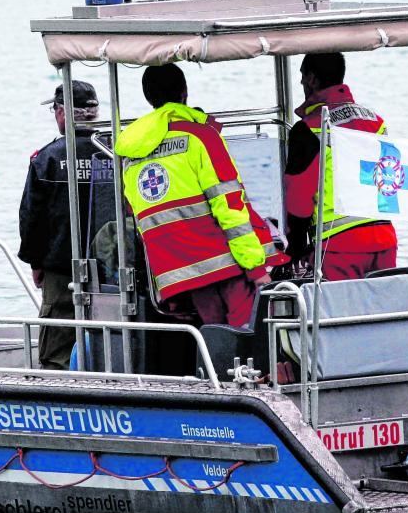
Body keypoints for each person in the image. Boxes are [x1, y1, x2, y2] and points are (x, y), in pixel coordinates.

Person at [117, 64, 286, 373]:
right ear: (184, 93)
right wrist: (256, 266)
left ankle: (219, 390)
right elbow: (230, 206)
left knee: (215, 337)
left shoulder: (131, 153)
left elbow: (137, 214)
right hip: (225, 262)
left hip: (181, 271)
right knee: (247, 337)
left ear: (147, 97)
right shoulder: (200, 137)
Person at [17, 80, 116, 370]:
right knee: (110, 341)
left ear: (62, 113)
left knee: (57, 350)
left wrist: (35, 262)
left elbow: (31, 218)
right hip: (111, 270)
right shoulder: (115, 152)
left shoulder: (46, 159)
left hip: (61, 271)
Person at [283, 52, 398, 280]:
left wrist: (295, 247)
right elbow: (390, 177)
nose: (301, 83)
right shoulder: (377, 121)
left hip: (338, 245)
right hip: (384, 237)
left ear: (312, 79)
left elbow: (299, 195)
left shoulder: (309, 128)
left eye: (302, 76)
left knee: (339, 313)